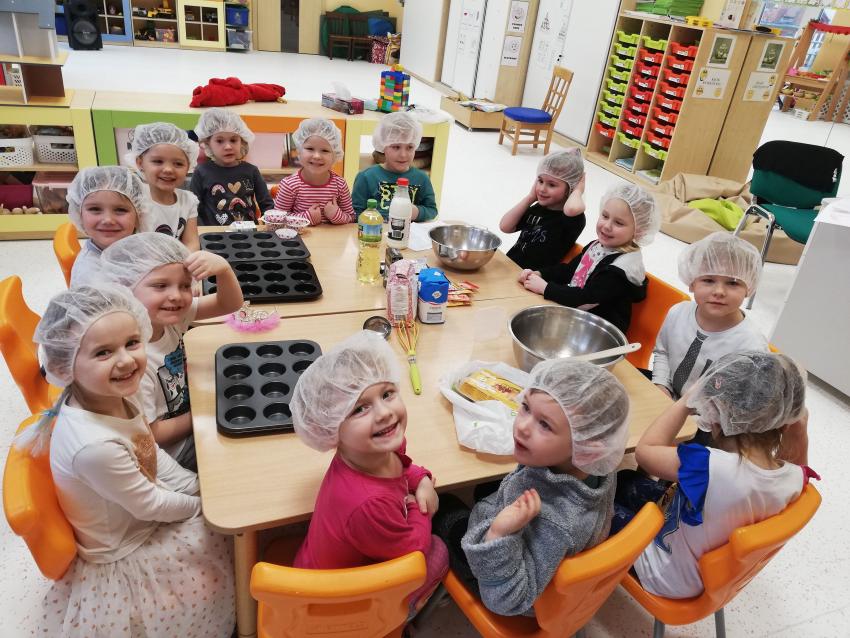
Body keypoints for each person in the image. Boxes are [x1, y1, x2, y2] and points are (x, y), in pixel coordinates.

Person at [14, 285, 234, 637]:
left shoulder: (113, 396)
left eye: (132, 343)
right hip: (127, 549)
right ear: (65, 366)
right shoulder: (94, 446)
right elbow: (150, 505)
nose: (127, 360)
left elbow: (150, 452)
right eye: (103, 352)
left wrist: (196, 488)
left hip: (139, 512)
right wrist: (203, 508)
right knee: (232, 539)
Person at [433, 359, 630, 617]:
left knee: (442, 507)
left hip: (508, 583)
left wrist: (498, 534)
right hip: (538, 534)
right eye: (525, 407)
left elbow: (506, 601)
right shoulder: (597, 467)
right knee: (483, 489)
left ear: (588, 447)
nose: (522, 426)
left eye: (545, 425)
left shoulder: (554, 523)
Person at [615, 351, 817, 599]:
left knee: (601, 505)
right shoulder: (794, 477)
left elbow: (645, 452)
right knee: (625, 480)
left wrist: (686, 400)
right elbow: (798, 467)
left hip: (662, 572)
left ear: (717, 419)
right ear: (786, 422)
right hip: (699, 573)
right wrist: (800, 432)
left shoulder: (708, 466)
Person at [290, 330, 448, 614]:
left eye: (387, 394)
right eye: (360, 408)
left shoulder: (371, 449)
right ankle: (397, 615)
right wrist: (419, 509)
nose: (384, 413)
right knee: (438, 550)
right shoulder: (368, 504)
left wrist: (421, 479)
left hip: (329, 566)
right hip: (339, 600)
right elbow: (414, 549)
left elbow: (403, 466)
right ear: (331, 429)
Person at [101, 232, 244, 470]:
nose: (176, 296)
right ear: (124, 288)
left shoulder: (169, 317)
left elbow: (229, 304)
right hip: (175, 454)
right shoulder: (132, 362)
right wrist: (204, 410)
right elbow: (151, 434)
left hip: (187, 419)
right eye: (160, 286)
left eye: (185, 285)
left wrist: (224, 270)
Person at [518, 183, 659, 333]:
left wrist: (546, 288)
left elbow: (586, 298)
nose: (607, 226)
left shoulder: (620, 270)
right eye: (605, 216)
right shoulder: (597, 246)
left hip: (598, 333)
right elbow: (570, 270)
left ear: (639, 231)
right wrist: (540, 274)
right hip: (576, 317)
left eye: (619, 223)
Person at [652, 232, 767, 401]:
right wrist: (661, 386)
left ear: (749, 288)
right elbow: (663, 352)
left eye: (733, 283)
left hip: (709, 415)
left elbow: (740, 401)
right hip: (666, 396)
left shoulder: (751, 346)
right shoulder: (677, 313)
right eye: (708, 280)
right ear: (692, 282)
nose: (719, 291)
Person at [501, 149, 586, 271]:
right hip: (511, 267)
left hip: (532, 277)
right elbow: (505, 226)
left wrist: (578, 190)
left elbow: (571, 209)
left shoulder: (572, 218)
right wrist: (530, 197)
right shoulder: (538, 208)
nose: (542, 189)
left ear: (570, 188)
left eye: (551, 185)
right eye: (540, 181)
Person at [190, 108, 274, 225]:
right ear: (208, 143)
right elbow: (193, 208)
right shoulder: (201, 172)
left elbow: (267, 205)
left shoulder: (251, 171)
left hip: (249, 233)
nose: (228, 146)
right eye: (220, 141)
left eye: (233, 140)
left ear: (242, 142)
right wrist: (202, 231)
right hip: (214, 234)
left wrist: (268, 227)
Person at [126, 121, 201, 250]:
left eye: (178, 164)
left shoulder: (188, 200)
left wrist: (185, 261)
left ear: (189, 167)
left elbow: (191, 243)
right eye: (158, 161)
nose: (168, 169)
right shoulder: (134, 200)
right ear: (140, 163)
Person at [66, 166, 145, 287]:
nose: (108, 220)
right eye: (95, 209)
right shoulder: (91, 277)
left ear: (139, 215)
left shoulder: (131, 245)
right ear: (79, 214)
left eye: (120, 210)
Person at [351, 112, 438, 222]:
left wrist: (417, 212)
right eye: (396, 147)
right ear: (383, 145)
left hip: (410, 232)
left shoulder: (422, 178)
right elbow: (355, 213)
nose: (403, 155)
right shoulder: (366, 177)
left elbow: (432, 210)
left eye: (410, 147)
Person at [273, 118, 354, 225]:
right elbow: (277, 219)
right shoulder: (290, 185)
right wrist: (306, 218)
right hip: (300, 236)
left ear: (335, 155)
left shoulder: (340, 185)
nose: (317, 156)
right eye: (310, 149)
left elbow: (351, 218)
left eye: (325, 150)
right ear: (299, 150)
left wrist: (336, 215)